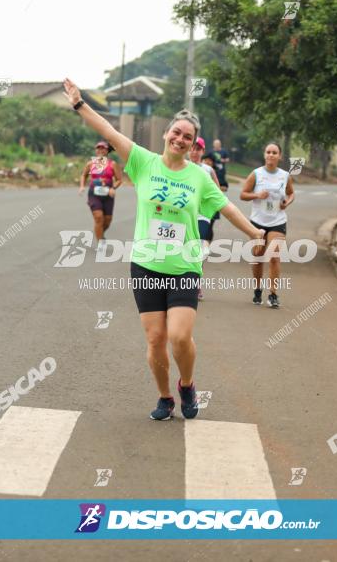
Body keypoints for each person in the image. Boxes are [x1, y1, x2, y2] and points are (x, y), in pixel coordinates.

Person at [63, 78, 265, 421]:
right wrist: (80, 104)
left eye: (187, 136)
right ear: (166, 135)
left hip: (184, 266)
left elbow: (226, 208)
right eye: (176, 132)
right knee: (156, 340)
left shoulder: (199, 178)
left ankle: (187, 384)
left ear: (192, 144)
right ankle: (165, 397)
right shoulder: (143, 162)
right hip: (145, 265)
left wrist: (255, 234)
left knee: (179, 336)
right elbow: (110, 132)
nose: (180, 139)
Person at [239, 142, 295, 309]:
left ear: (280, 156)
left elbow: (291, 193)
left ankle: (273, 294)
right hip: (257, 222)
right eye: (268, 152)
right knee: (257, 257)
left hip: (278, 221)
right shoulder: (256, 174)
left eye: (274, 152)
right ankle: (257, 289)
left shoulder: (285, 176)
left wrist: (287, 202)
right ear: (264, 155)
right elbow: (243, 194)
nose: (271, 155)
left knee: (274, 256)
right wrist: (257, 194)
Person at [190, 138, 220, 301]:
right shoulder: (182, 166)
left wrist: (210, 208)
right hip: (183, 216)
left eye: (198, 149)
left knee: (199, 251)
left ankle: (195, 284)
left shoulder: (208, 170)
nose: (194, 152)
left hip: (202, 216)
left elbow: (217, 192)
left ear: (202, 151)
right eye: (192, 149)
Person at [79, 140, 122, 247]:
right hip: (94, 194)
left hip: (108, 194)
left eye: (103, 148)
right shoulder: (90, 164)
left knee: (107, 220)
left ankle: (100, 233)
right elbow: (83, 175)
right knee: (99, 218)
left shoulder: (113, 164)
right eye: (98, 148)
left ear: (107, 150)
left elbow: (119, 179)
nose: (100, 150)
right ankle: (100, 242)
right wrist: (82, 186)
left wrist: (113, 188)